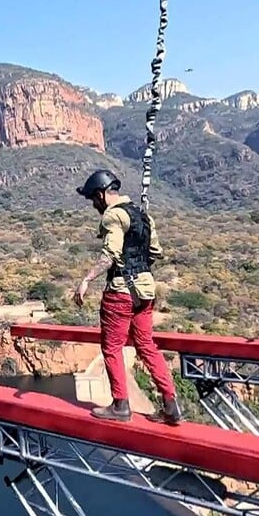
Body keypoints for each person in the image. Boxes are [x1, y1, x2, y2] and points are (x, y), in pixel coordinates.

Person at [72, 169, 182, 425]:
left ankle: (121, 406)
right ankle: (170, 404)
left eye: (93, 199)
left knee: (112, 348)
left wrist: (86, 280)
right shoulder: (143, 216)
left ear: (101, 194)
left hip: (120, 293)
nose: (94, 204)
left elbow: (109, 254)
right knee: (146, 346)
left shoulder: (113, 216)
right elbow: (155, 251)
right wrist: (137, 268)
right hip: (145, 291)